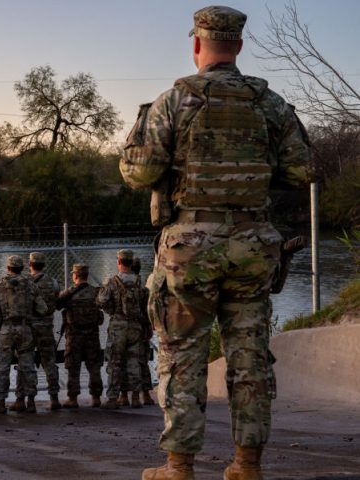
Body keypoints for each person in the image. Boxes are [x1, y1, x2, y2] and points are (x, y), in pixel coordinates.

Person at [120, 6, 310, 478]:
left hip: (190, 249)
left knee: (181, 355)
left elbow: (139, 171)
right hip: (253, 246)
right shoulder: (272, 105)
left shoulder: (173, 101)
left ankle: (178, 466)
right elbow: (303, 170)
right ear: (239, 46)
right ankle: (247, 464)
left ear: (197, 45)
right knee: (250, 359)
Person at [0, 255, 47, 414]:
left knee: (2, 366)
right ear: (22, 268)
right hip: (25, 329)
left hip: (6, 329)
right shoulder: (31, 286)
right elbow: (43, 309)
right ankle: (30, 402)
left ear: (8, 268)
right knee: (27, 366)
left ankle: (1, 403)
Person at [96, 250, 145, 410]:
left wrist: (112, 310)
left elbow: (101, 301)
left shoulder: (113, 281)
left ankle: (112, 398)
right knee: (134, 362)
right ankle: (136, 397)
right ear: (131, 263)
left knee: (115, 362)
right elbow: (145, 303)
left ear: (119, 262)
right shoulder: (139, 281)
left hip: (118, 325)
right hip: (135, 326)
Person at [12, 252, 61, 411]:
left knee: (24, 363)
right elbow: (56, 301)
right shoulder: (53, 283)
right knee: (50, 363)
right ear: (44, 265)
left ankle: (24, 399)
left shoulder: (24, 283)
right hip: (46, 327)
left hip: (28, 328)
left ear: (30, 264)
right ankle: (54, 398)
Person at [55, 263, 104, 409]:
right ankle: (96, 398)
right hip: (92, 334)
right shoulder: (96, 292)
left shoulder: (69, 293)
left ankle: (73, 398)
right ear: (87, 276)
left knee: (73, 366)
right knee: (94, 366)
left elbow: (57, 305)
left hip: (74, 335)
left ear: (75, 275)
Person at [118, 257, 155, 407]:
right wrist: (148, 327)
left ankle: (124, 395)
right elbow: (148, 309)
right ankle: (145, 395)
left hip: (122, 328)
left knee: (124, 361)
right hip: (141, 327)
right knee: (142, 362)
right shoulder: (143, 287)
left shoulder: (119, 284)